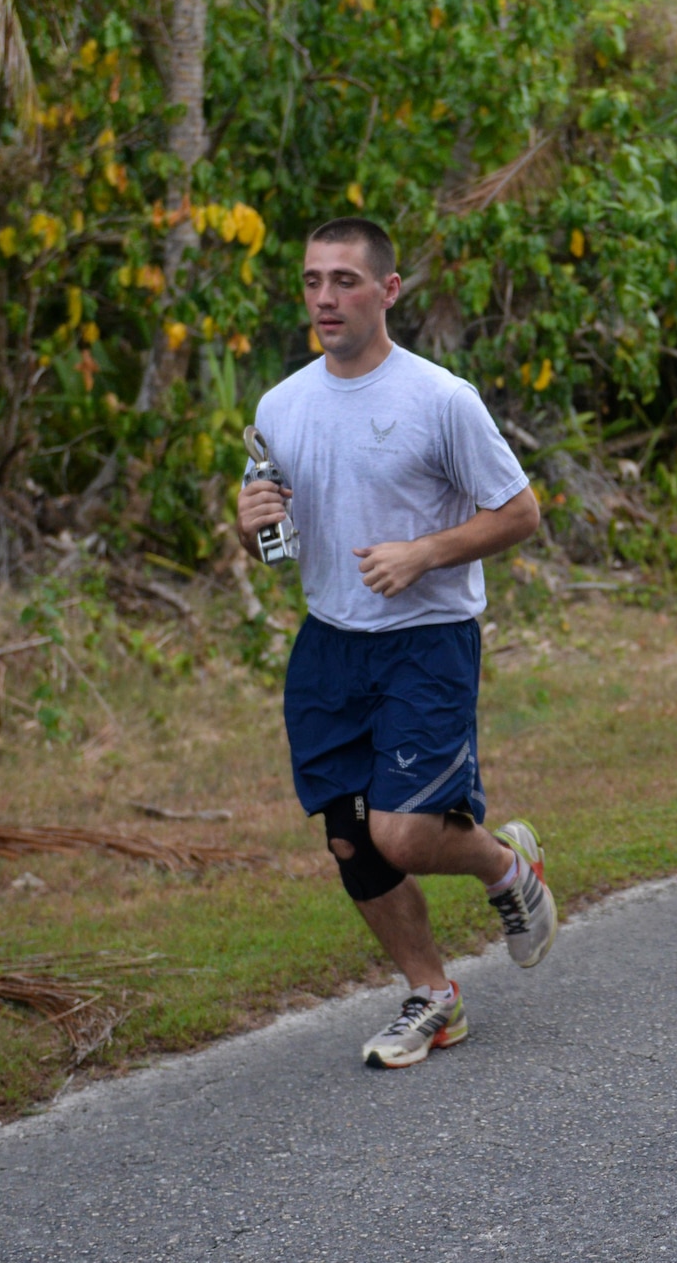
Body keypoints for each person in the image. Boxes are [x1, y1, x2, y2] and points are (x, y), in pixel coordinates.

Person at [237, 218, 553, 1069]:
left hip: (426, 637)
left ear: (389, 290)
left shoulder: (439, 398)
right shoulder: (280, 404)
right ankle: (433, 994)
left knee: (404, 835)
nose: (325, 298)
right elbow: (280, 540)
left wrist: (425, 552)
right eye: (312, 281)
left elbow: (520, 511)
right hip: (330, 644)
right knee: (350, 837)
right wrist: (253, 524)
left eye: (345, 280)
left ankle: (506, 867)